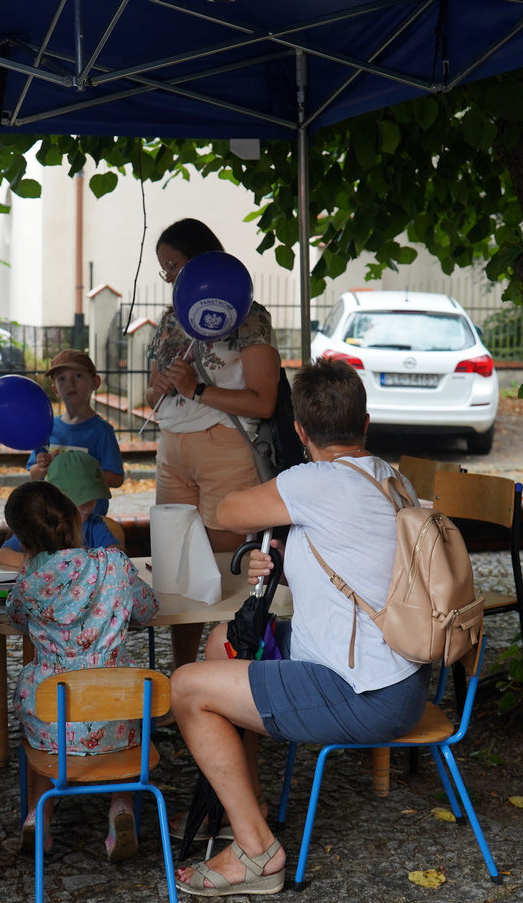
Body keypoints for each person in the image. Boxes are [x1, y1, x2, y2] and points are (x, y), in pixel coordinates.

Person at [168, 358, 433, 897]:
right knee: (225, 643)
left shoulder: (313, 481)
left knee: (187, 688)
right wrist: (286, 560)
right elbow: (360, 562)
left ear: (300, 431)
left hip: (362, 693)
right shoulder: (392, 479)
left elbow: (226, 511)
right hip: (401, 677)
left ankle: (257, 852)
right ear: (365, 424)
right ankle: (247, 809)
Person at [145, 218, 281, 667]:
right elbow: (152, 394)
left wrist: (197, 389)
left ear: (201, 258)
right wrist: (159, 387)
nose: (169, 277)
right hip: (172, 448)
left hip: (225, 447)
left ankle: (229, 672)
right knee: (176, 570)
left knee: (225, 570)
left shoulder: (248, 314)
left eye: (174, 264)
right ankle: (184, 671)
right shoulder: (170, 319)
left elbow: (263, 400)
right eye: (164, 268)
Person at [3, 481, 158, 863]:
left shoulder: (29, 580)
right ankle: (121, 807)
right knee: (130, 726)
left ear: (24, 542)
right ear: (76, 519)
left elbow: (15, 617)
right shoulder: (113, 564)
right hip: (114, 716)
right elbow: (147, 609)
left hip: (52, 719)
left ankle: (39, 816)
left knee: (43, 735)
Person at [26, 349, 124, 515]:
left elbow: (117, 479)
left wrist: (83, 472)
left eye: (78, 376)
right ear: (55, 389)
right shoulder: (48, 428)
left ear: (95, 382)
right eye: (62, 378)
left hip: (88, 518)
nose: (70, 383)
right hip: (54, 516)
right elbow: (33, 474)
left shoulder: (101, 431)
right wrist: (42, 467)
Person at [0, 449, 121, 571]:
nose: (87, 508)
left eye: (92, 499)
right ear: (57, 499)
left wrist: (76, 563)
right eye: (80, 500)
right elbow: (2, 556)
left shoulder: (95, 524)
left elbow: (117, 554)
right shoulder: (42, 524)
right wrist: (53, 563)